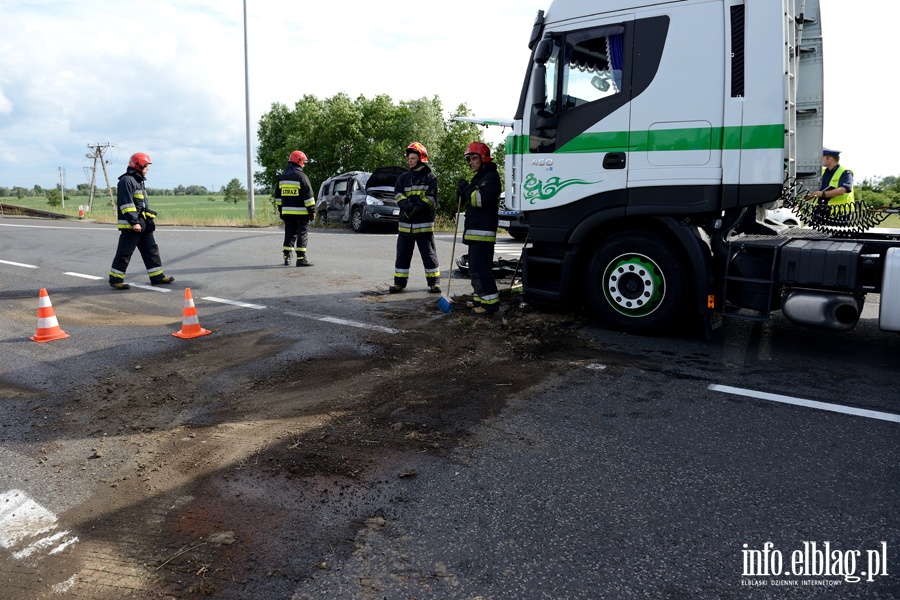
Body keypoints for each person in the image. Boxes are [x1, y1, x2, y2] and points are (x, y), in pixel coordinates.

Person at [108, 152, 174, 290]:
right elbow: (126, 204)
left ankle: (157, 277)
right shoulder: (126, 181)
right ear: (139, 165)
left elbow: (140, 205)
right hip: (132, 226)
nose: (148, 169)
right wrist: (134, 222)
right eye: (146, 166)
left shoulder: (138, 180)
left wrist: (146, 218)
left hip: (142, 224)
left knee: (151, 250)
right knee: (125, 252)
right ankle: (115, 279)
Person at [388, 142, 441, 293]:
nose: (409, 160)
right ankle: (399, 283)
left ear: (421, 158)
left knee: (429, 255)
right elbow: (398, 194)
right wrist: (407, 207)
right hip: (405, 226)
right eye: (409, 158)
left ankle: (434, 283)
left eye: (412, 158)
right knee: (402, 256)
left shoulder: (430, 178)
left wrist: (416, 209)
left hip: (423, 225)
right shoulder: (403, 178)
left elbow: (431, 198)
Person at [459, 142, 501, 315]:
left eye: (474, 158)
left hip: (483, 233)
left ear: (484, 158)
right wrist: (462, 193)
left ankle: (490, 303)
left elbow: (479, 200)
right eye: (469, 159)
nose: (471, 162)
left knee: (480, 269)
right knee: (473, 268)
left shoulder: (491, 178)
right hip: (476, 232)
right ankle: (479, 297)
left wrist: (466, 189)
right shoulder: (479, 178)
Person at [274, 150, 316, 266]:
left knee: (289, 233)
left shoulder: (282, 178)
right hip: (302, 213)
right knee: (302, 233)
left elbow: (277, 196)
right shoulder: (301, 177)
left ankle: (286, 256)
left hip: (287, 212)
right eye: (303, 162)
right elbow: (308, 196)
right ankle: (301, 259)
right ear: (299, 161)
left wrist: (281, 209)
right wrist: (312, 211)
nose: (304, 164)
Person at [805, 148, 854, 219]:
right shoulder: (822, 171)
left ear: (830, 159)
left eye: (822, 157)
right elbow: (815, 190)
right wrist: (808, 196)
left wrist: (821, 194)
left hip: (838, 214)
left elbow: (842, 190)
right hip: (819, 212)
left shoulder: (845, 172)